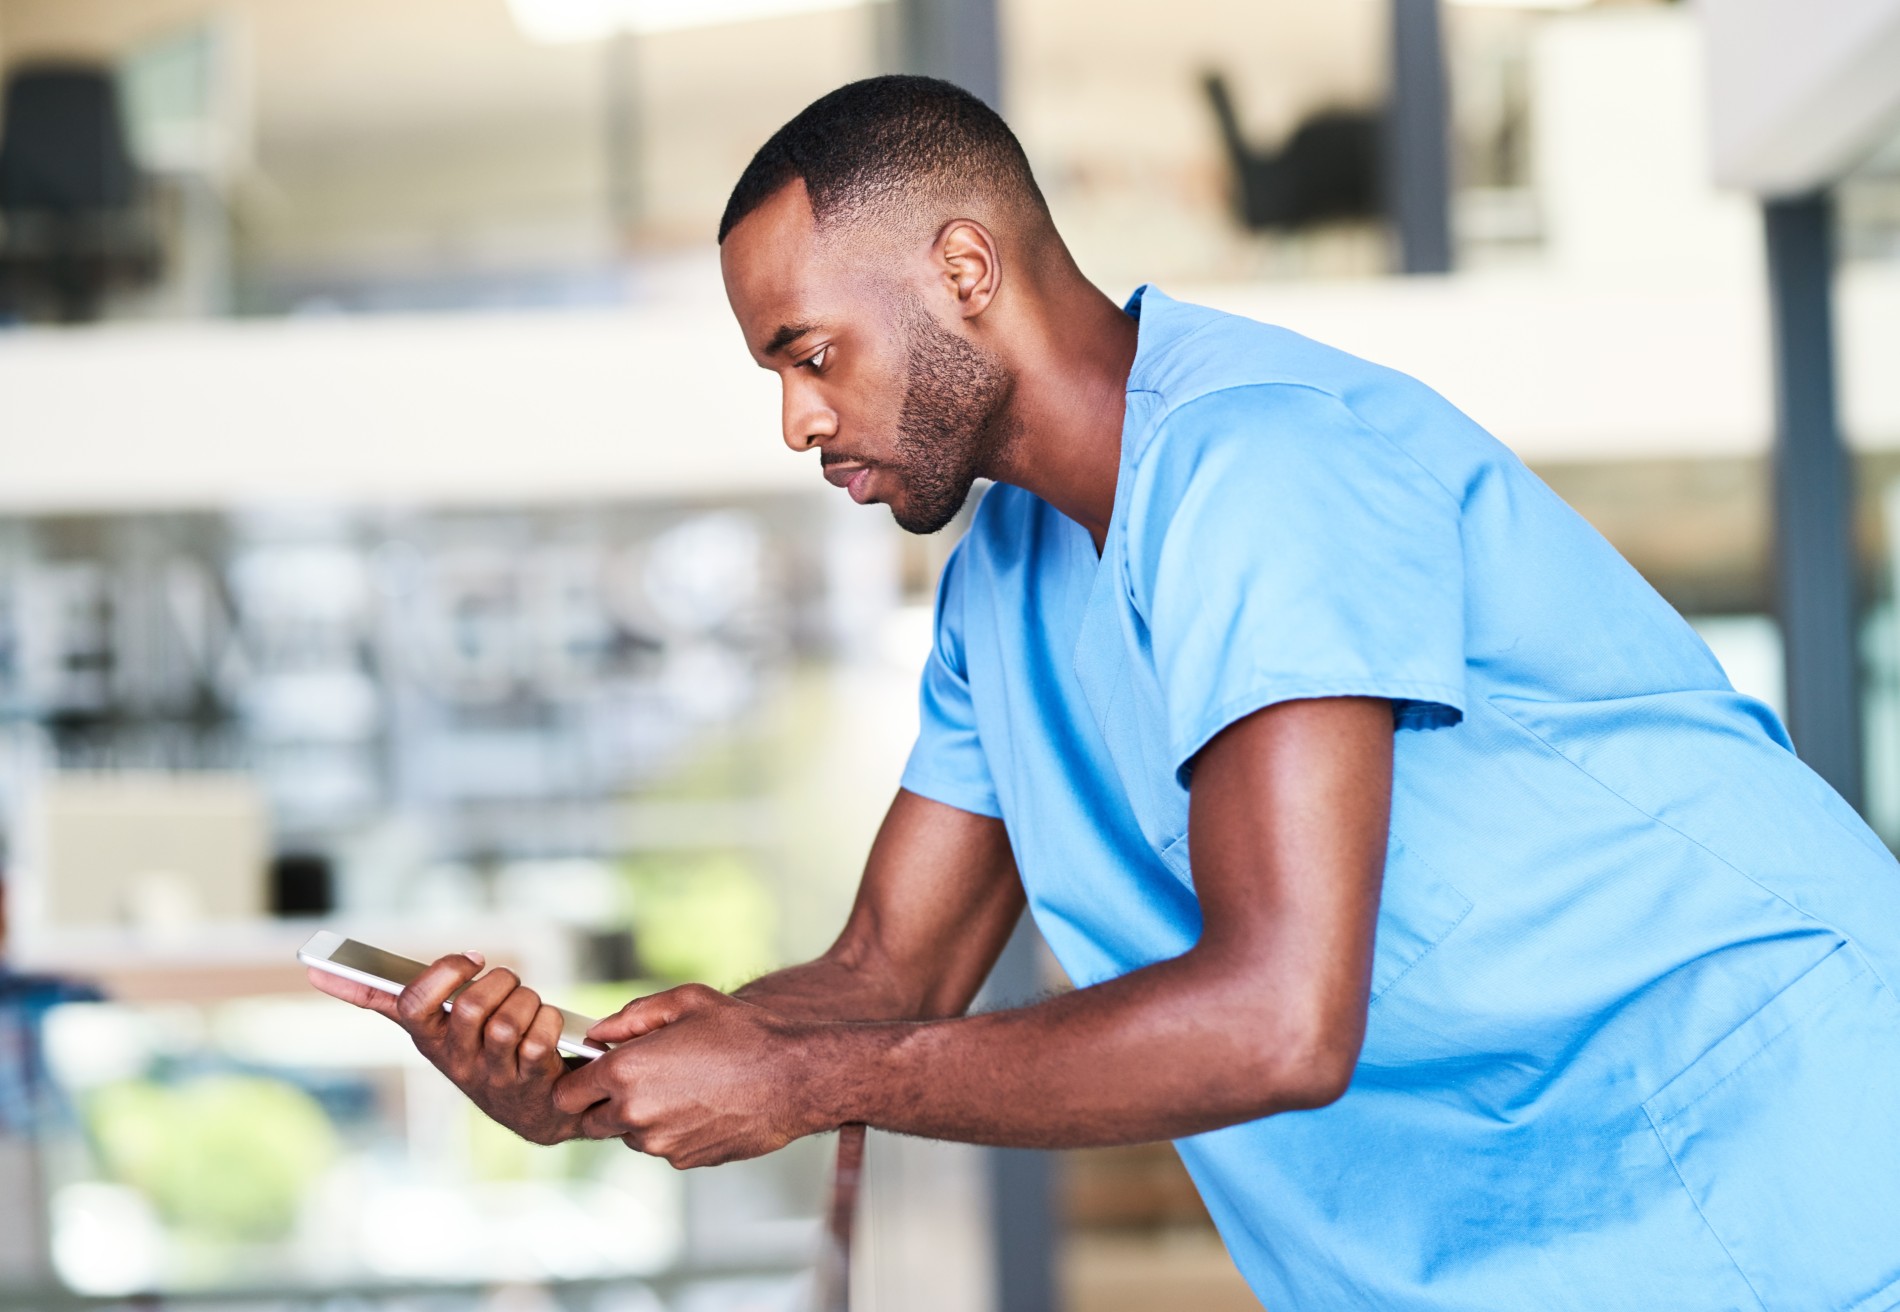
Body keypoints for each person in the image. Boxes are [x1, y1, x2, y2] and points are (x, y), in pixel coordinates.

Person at [312, 76, 1900, 1310]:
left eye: (809, 353)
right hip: (1524, 1230)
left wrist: (794, 1082)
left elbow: (1281, 1021)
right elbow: (890, 972)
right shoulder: (1000, 586)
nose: (798, 423)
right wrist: (592, 1081)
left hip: (1778, 1158)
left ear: (962, 265)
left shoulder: (1260, 466)